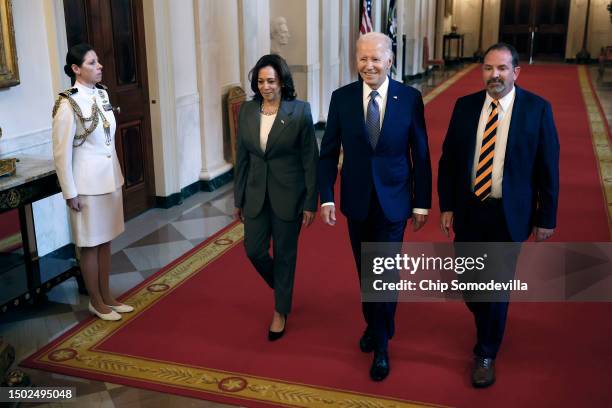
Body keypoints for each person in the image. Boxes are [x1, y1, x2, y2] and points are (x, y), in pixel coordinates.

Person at [438, 43, 559, 388]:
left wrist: (546, 216)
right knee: (469, 285)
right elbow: (449, 161)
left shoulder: (537, 110)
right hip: (469, 210)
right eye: (489, 68)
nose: (495, 75)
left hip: (509, 213)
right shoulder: (464, 107)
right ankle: (488, 320)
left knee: (495, 286)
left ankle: (486, 352)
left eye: (503, 69)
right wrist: (447, 204)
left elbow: (548, 167)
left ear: (516, 72)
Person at [318, 32, 432, 381]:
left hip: (395, 201)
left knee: (383, 276)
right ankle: (377, 324)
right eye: (362, 58)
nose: (369, 65)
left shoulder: (409, 98)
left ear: (390, 61)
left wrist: (422, 204)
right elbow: (327, 153)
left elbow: (422, 154)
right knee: (367, 276)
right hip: (357, 201)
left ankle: (381, 346)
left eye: (376, 59)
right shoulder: (342, 98)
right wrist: (326, 196)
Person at [233, 54, 318, 341]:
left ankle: (280, 310)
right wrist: (238, 199)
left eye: (270, 81)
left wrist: (310, 202)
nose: (265, 87)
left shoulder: (300, 111)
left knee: (285, 255)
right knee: (253, 250)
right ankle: (283, 286)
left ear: (282, 81)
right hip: (255, 194)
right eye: (260, 81)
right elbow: (242, 158)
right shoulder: (246, 111)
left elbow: (310, 160)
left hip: (289, 195)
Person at [52, 44, 132, 321]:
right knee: (89, 243)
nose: (99, 66)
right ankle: (96, 301)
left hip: (109, 178)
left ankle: (107, 295)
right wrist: (69, 193)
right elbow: (62, 152)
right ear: (76, 69)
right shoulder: (67, 102)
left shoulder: (102, 93)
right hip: (86, 185)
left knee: (106, 240)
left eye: (98, 61)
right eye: (92, 63)